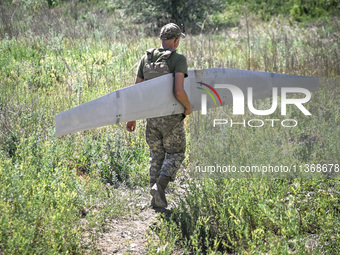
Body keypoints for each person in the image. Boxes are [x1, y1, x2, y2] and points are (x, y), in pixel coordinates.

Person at [126, 23, 191, 208]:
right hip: (170, 116)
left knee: (156, 155)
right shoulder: (178, 59)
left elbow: (136, 90)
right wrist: (187, 107)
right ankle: (159, 187)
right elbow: (178, 91)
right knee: (176, 152)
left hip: (151, 116)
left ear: (161, 39)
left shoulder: (146, 58)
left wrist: (132, 116)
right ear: (176, 40)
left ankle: (155, 201)